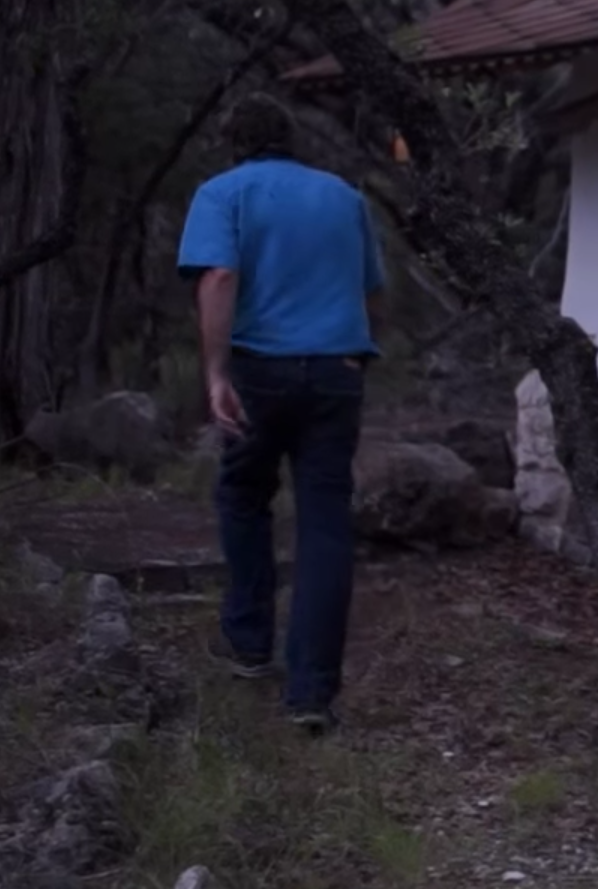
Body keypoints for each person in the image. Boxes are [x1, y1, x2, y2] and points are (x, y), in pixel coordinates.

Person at [176, 93, 385, 734]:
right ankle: (311, 695)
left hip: (259, 370)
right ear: (290, 137)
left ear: (232, 140)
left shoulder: (222, 193)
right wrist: (352, 353)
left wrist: (215, 374)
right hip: (335, 370)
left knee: (243, 494)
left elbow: (217, 278)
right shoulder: (344, 197)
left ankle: (248, 643)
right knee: (325, 521)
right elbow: (371, 286)